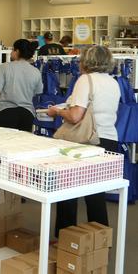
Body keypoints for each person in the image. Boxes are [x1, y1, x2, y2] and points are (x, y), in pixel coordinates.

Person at [48, 45, 120, 235]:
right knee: (96, 193)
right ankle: (99, 239)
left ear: (87, 62)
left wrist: (57, 111)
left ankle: (65, 237)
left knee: (68, 190)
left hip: (85, 141)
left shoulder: (85, 80)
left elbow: (75, 116)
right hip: (108, 139)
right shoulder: (113, 82)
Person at [0, 39, 43, 132]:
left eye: (12, 50)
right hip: (27, 115)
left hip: (5, 112)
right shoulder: (36, 71)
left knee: (2, 144)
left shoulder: (5, 67)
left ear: (17, 51)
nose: (11, 52)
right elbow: (38, 93)